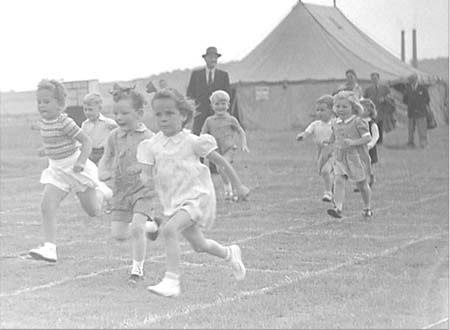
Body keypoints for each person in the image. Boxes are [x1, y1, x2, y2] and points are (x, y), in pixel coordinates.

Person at [136, 89, 250, 297]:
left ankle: (172, 280)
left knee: (169, 231)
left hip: (197, 197)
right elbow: (145, 173)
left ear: (184, 115)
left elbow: (221, 162)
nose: (163, 119)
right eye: (159, 114)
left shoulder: (193, 142)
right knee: (199, 245)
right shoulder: (152, 145)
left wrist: (239, 185)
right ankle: (229, 253)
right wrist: (145, 180)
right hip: (174, 201)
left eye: (169, 113)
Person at [29, 79, 112, 262]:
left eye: (47, 101)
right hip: (57, 171)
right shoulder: (44, 122)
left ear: (60, 104)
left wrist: (82, 162)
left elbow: (86, 142)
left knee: (93, 211)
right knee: (46, 206)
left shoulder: (65, 122)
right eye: (39, 101)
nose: (42, 105)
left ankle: (102, 192)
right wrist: (46, 151)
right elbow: (56, 142)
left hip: (75, 168)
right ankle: (50, 248)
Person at [98, 86, 161, 284]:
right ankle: (152, 227)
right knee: (119, 234)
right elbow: (106, 157)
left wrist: (154, 181)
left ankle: (137, 271)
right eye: (116, 113)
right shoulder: (113, 136)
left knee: (136, 229)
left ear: (139, 114)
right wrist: (103, 172)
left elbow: (160, 163)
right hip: (121, 191)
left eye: (125, 113)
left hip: (143, 191)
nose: (119, 117)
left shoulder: (149, 138)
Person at [325, 91, 372, 219]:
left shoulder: (358, 122)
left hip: (356, 157)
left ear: (353, 107)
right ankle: (338, 208)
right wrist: (329, 141)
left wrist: (353, 142)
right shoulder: (335, 122)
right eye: (338, 106)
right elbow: (335, 135)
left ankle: (367, 207)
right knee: (338, 180)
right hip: (340, 156)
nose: (341, 109)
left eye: (344, 106)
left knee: (361, 184)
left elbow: (367, 138)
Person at [201, 90, 249, 200]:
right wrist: (202, 143)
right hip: (216, 149)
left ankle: (232, 191)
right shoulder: (209, 121)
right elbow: (202, 134)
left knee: (223, 165)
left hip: (229, 148)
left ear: (228, 105)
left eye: (223, 104)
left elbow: (240, 131)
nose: (220, 107)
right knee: (220, 169)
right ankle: (229, 189)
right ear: (212, 106)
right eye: (217, 104)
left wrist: (244, 144)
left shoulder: (231, 119)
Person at [296, 95, 335, 202]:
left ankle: (328, 193)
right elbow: (307, 132)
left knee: (325, 171)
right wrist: (302, 136)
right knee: (322, 171)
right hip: (320, 151)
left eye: (322, 110)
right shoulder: (315, 124)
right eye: (317, 110)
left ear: (331, 111)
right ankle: (333, 184)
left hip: (332, 151)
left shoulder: (335, 123)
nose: (319, 113)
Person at [186, 46, 231, 136]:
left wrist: (223, 110)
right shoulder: (196, 74)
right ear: (205, 59)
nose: (213, 60)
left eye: (215, 58)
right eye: (210, 57)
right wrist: (195, 106)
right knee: (197, 138)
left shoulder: (223, 75)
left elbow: (228, 96)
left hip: (217, 114)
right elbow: (190, 93)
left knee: (217, 138)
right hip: (200, 114)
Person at [81, 93, 118, 165]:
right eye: (85, 109)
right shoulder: (85, 124)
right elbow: (83, 140)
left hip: (104, 153)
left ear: (99, 108)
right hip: (90, 153)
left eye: (90, 110)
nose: (87, 112)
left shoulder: (108, 122)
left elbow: (119, 132)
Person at [363, 72, 395, 144]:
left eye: (375, 78)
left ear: (378, 79)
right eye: (373, 79)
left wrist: (384, 99)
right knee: (373, 125)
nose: (374, 80)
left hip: (381, 109)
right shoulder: (368, 89)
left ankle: (380, 140)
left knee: (380, 124)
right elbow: (364, 98)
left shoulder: (385, 88)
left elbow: (390, 97)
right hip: (372, 110)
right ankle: (373, 139)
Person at [402, 73, 430, 148]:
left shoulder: (423, 88)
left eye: (413, 80)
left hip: (421, 112)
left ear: (416, 80)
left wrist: (420, 104)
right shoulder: (407, 89)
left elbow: (427, 99)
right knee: (411, 129)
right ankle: (410, 143)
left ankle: (424, 144)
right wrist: (410, 104)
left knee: (422, 129)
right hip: (411, 112)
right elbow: (404, 100)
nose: (412, 81)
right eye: (410, 80)